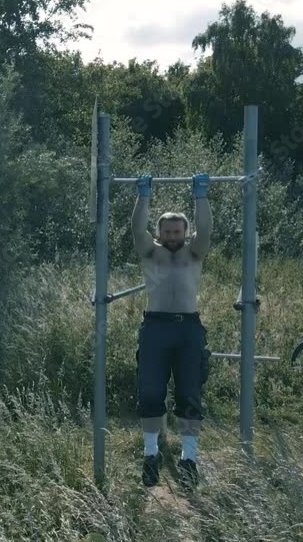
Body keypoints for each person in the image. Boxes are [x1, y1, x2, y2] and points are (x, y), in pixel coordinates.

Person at [131, 173, 212, 488]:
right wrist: (143, 194)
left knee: (190, 393)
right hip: (155, 327)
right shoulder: (151, 252)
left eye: (177, 231)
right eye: (167, 231)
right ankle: (151, 455)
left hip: (189, 328)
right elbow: (137, 228)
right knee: (150, 392)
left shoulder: (195, 253)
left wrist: (201, 195)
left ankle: (189, 459)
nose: (173, 235)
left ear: (185, 232)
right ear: (160, 232)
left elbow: (206, 228)